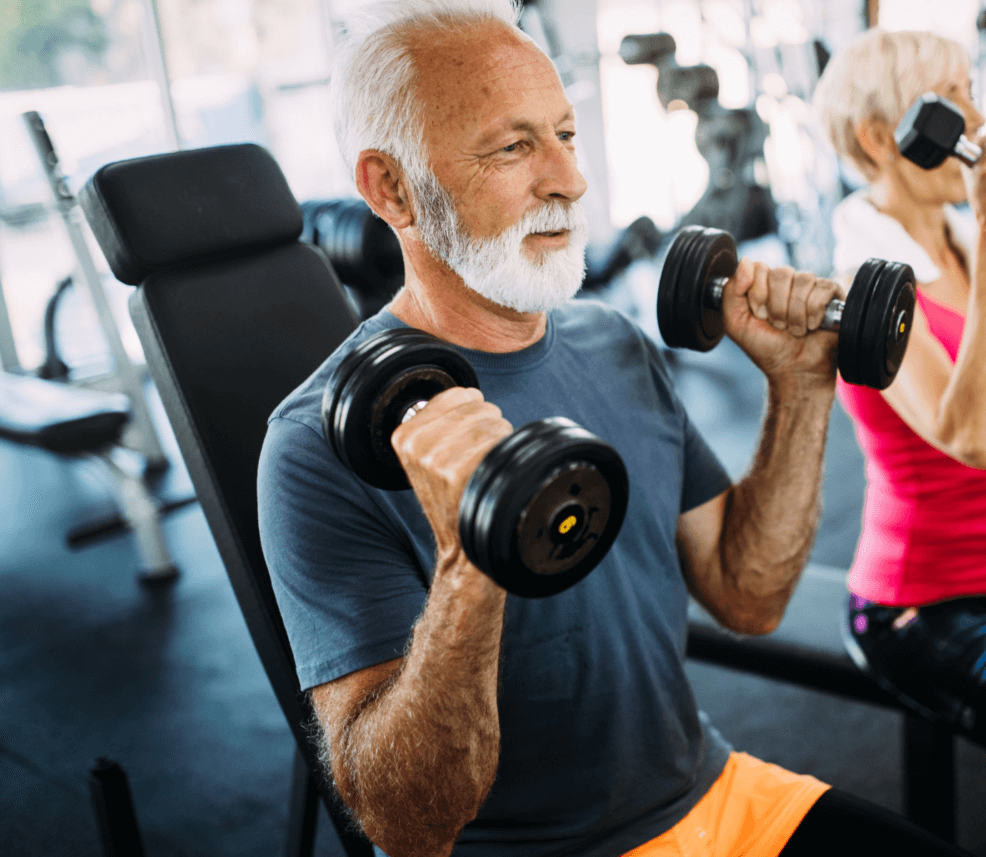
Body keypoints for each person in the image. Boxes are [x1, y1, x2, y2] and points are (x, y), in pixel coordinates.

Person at [258, 3, 972, 855]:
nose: (569, 178)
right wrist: (469, 560)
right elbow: (407, 824)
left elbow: (748, 595)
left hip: (715, 791)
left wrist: (799, 381)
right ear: (392, 188)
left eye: (564, 133)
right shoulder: (316, 446)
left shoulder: (614, 342)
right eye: (514, 146)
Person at [813, 28, 986, 739]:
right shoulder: (866, 286)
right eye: (950, 104)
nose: (974, 121)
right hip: (928, 599)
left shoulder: (962, 241)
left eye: (970, 95)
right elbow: (970, 435)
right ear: (884, 137)